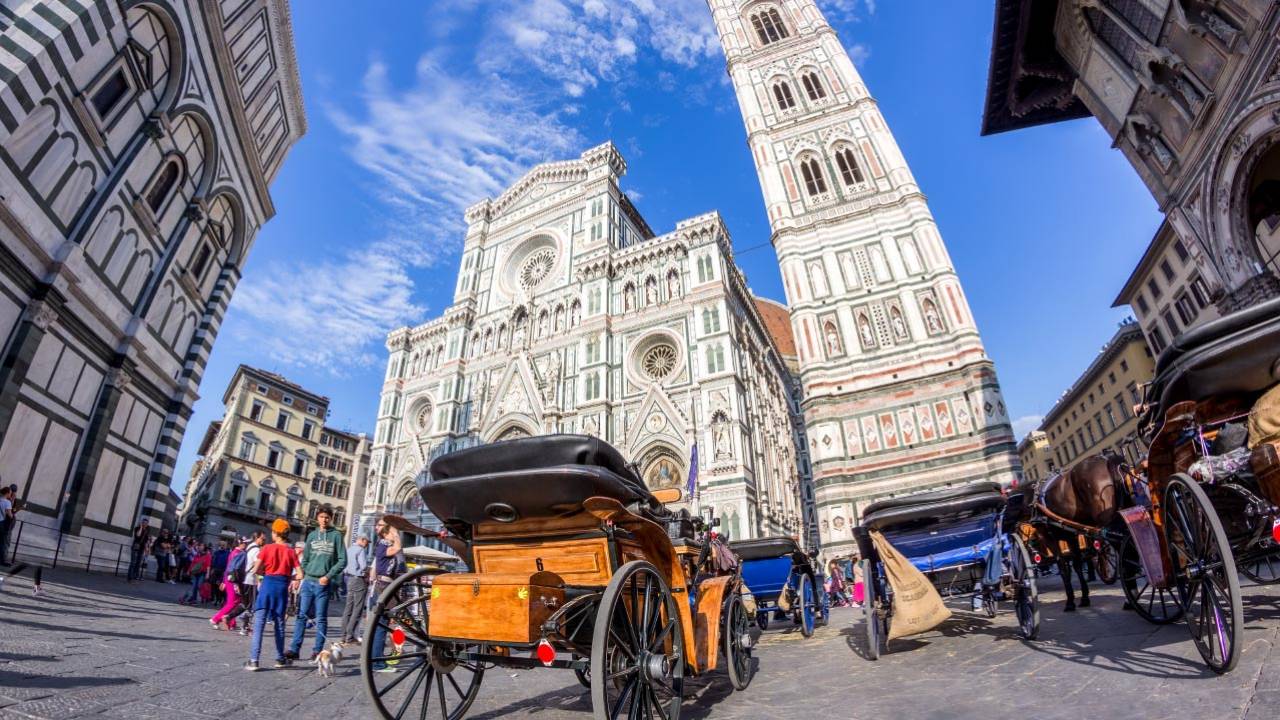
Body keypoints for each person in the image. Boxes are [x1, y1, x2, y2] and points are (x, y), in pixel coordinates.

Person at [286, 506, 346, 660]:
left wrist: (328, 576)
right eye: (321, 517)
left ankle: (317, 650)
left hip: (323, 582)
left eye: (327, 517)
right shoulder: (312, 535)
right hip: (308, 581)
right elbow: (305, 559)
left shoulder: (336, 536)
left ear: (330, 518)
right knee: (301, 615)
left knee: (321, 618)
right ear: (317, 518)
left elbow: (342, 560)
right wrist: (306, 572)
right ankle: (294, 649)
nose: (324, 520)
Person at [246, 519, 302, 671]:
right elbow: (300, 574)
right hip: (281, 590)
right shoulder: (291, 552)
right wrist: (287, 578)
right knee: (280, 626)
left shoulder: (267, 548)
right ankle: (279, 658)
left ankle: (254, 660)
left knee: (259, 625)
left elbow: (256, 570)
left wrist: (265, 573)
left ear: (276, 533)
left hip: (267, 587)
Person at [368, 518, 403, 673]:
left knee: (381, 624)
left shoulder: (383, 545)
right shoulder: (383, 543)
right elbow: (398, 548)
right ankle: (377, 663)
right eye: (391, 532)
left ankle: (376, 659)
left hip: (384, 585)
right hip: (383, 586)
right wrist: (396, 535)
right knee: (382, 624)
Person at [340, 532, 371, 644]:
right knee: (357, 609)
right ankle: (350, 635)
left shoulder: (349, 549)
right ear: (362, 540)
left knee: (348, 608)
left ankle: (343, 635)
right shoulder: (361, 550)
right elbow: (363, 567)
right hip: (358, 579)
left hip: (348, 579)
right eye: (367, 542)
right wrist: (369, 571)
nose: (367, 544)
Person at [234, 531, 266, 636]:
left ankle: (235, 620)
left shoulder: (249, 547)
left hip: (245, 578)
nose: (263, 541)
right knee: (250, 605)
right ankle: (244, 627)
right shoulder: (256, 550)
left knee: (247, 604)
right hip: (251, 580)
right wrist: (261, 579)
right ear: (256, 538)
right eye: (262, 539)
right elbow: (258, 566)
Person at [211, 538, 247, 630]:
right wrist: (237, 583)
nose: (246, 544)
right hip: (234, 580)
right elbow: (236, 569)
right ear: (240, 544)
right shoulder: (241, 554)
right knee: (233, 602)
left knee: (235, 601)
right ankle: (216, 619)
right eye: (244, 543)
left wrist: (224, 581)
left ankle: (231, 622)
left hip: (228, 578)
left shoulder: (232, 552)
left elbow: (228, 567)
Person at [0, 486, 13, 566]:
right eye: (10, 493)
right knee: (2, 542)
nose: (10, 495)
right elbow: (9, 514)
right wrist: (13, 517)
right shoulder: (7, 502)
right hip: (2, 523)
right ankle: (2, 560)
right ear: (7, 493)